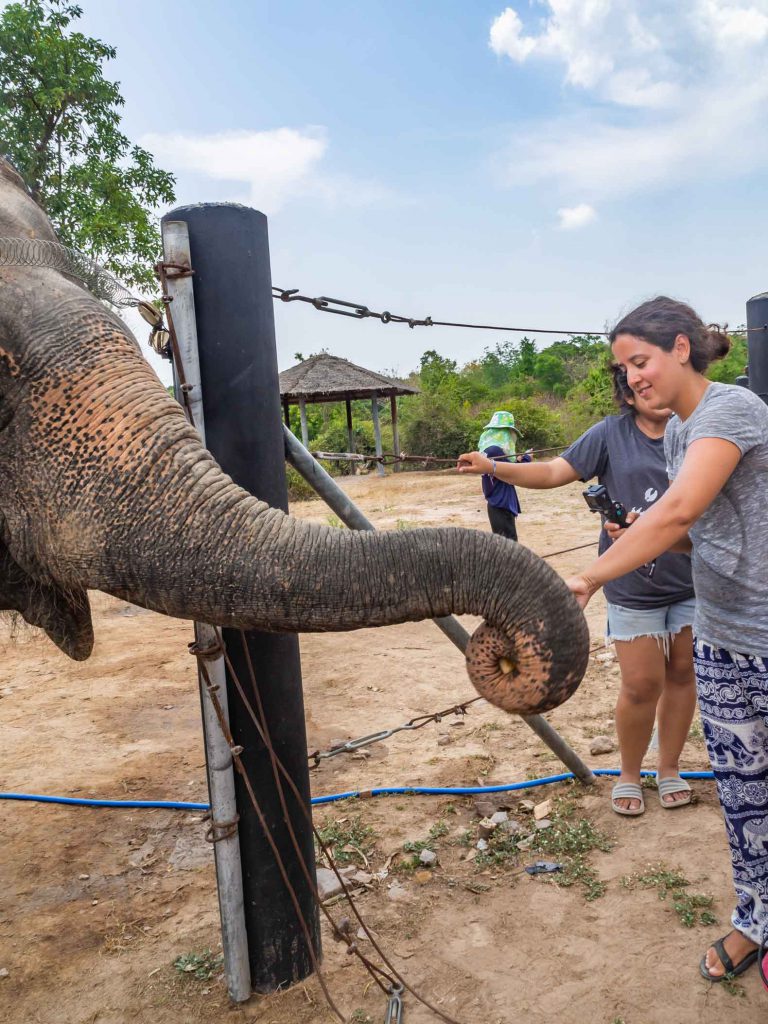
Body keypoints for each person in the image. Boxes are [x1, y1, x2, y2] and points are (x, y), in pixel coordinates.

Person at [563, 295, 768, 986]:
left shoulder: (731, 409)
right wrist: (638, 543)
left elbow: (680, 507)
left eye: (640, 361)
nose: (633, 380)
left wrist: (588, 579)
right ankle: (755, 921)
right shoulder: (680, 436)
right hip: (717, 634)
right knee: (743, 794)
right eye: (623, 369)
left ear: (682, 347)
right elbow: (693, 532)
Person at [457, 367, 697, 817]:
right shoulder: (609, 433)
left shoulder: (696, 429)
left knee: (684, 674)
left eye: (656, 378)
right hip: (630, 579)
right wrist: (493, 466)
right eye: (638, 384)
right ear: (626, 394)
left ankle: (669, 768)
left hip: (691, 577)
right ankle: (629, 772)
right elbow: (552, 472)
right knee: (642, 683)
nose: (650, 389)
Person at [481, 443, 531, 541]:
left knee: (501, 542)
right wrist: (527, 458)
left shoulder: (487, 461)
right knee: (509, 542)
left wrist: (517, 460)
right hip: (502, 506)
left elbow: (508, 469)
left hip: (495, 506)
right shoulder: (496, 457)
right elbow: (516, 472)